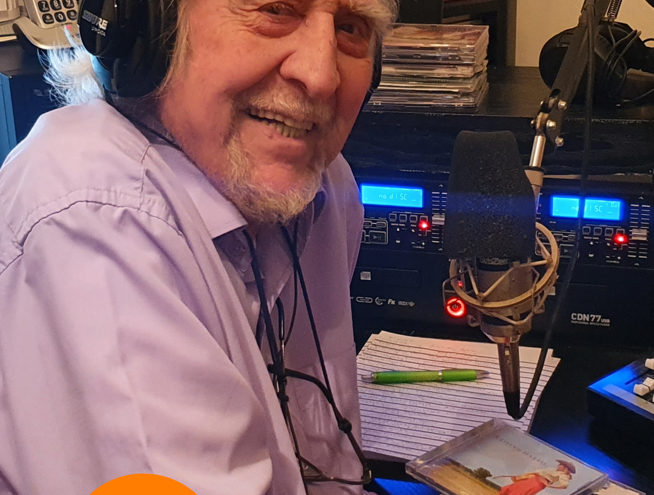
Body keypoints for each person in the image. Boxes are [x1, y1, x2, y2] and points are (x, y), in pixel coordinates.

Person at [0, 0, 397, 492]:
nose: (321, 76)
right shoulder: (93, 212)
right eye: (275, 9)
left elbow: (329, 473)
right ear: (147, 24)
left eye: (350, 29)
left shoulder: (325, 187)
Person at [497, 460, 576, 495]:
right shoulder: (551, 469)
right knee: (514, 488)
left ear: (565, 468)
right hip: (533, 479)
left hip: (538, 484)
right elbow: (539, 472)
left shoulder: (563, 476)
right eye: (560, 464)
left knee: (519, 493)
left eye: (562, 465)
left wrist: (549, 485)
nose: (559, 465)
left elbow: (564, 486)